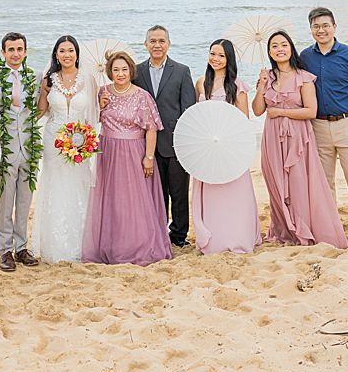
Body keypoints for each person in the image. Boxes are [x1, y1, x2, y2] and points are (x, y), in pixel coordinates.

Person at [253, 31, 348, 249]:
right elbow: (258, 110)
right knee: (276, 183)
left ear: (291, 48)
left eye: (283, 45)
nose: (279, 49)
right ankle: (286, 227)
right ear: (269, 52)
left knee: (299, 184)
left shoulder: (304, 77)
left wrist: (280, 112)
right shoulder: (267, 77)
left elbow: (311, 111)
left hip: (298, 137)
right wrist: (261, 85)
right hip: (272, 137)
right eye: (274, 46)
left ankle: (304, 227)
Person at [81, 52, 170, 266]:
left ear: (131, 70)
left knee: (134, 200)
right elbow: (90, 122)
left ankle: (136, 245)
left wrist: (149, 157)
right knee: (112, 200)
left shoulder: (142, 96)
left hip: (133, 152)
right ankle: (111, 244)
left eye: (124, 69)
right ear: (110, 72)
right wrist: (98, 107)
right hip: (108, 152)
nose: (120, 74)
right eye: (116, 70)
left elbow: (151, 129)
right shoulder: (102, 93)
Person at [299, 8, 348, 238]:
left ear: (334, 27)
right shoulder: (304, 57)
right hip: (318, 126)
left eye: (325, 25)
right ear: (311, 29)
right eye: (316, 26)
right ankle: (329, 223)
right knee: (324, 181)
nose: (320, 30)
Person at [0, 32, 41, 272]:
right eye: (11, 49)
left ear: (25, 51)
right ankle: (5, 250)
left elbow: (41, 107)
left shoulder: (35, 77)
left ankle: (22, 247)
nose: (16, 54)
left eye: (20, 49)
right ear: (3, 52)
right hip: (2, 151)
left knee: (25, 201)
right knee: (5, 203)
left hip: (29, 149)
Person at [192, 40, 260, 255]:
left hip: (230, 147)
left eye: (221, 55)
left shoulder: (237, 85)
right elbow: (197, 116)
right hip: (208, 147)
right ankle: (214, 237)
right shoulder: (202, 83)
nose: (216, 59)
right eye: (213, 54)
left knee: (233, 194)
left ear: (228, 59)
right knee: (211, 194)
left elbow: (243, 119)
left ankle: (237, 235)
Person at [34, 35, 98, 264]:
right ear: (56, 55)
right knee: (56, 187)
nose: (67, 55)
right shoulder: (48, 80)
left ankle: (82, 242)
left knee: (78, 187)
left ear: (77, 54)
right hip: (53, 141)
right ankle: (54, 245)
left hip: (81, 141)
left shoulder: (88, 78)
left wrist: (89, 139)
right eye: (62, 51)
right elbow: (41, 110)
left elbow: (96, 109)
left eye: (71, 50)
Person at [134, 26, 195, 248]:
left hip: (175, 141)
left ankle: (179, 235)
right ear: (145, 44)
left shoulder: (181, 70)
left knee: (178, 192)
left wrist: (186, 141)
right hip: (147, 144)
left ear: (168, 43)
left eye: (161, 41)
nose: (157, 45)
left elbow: (188, 109)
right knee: (155, 193)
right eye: (152, 41)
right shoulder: (136, 71)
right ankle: (157, 232)